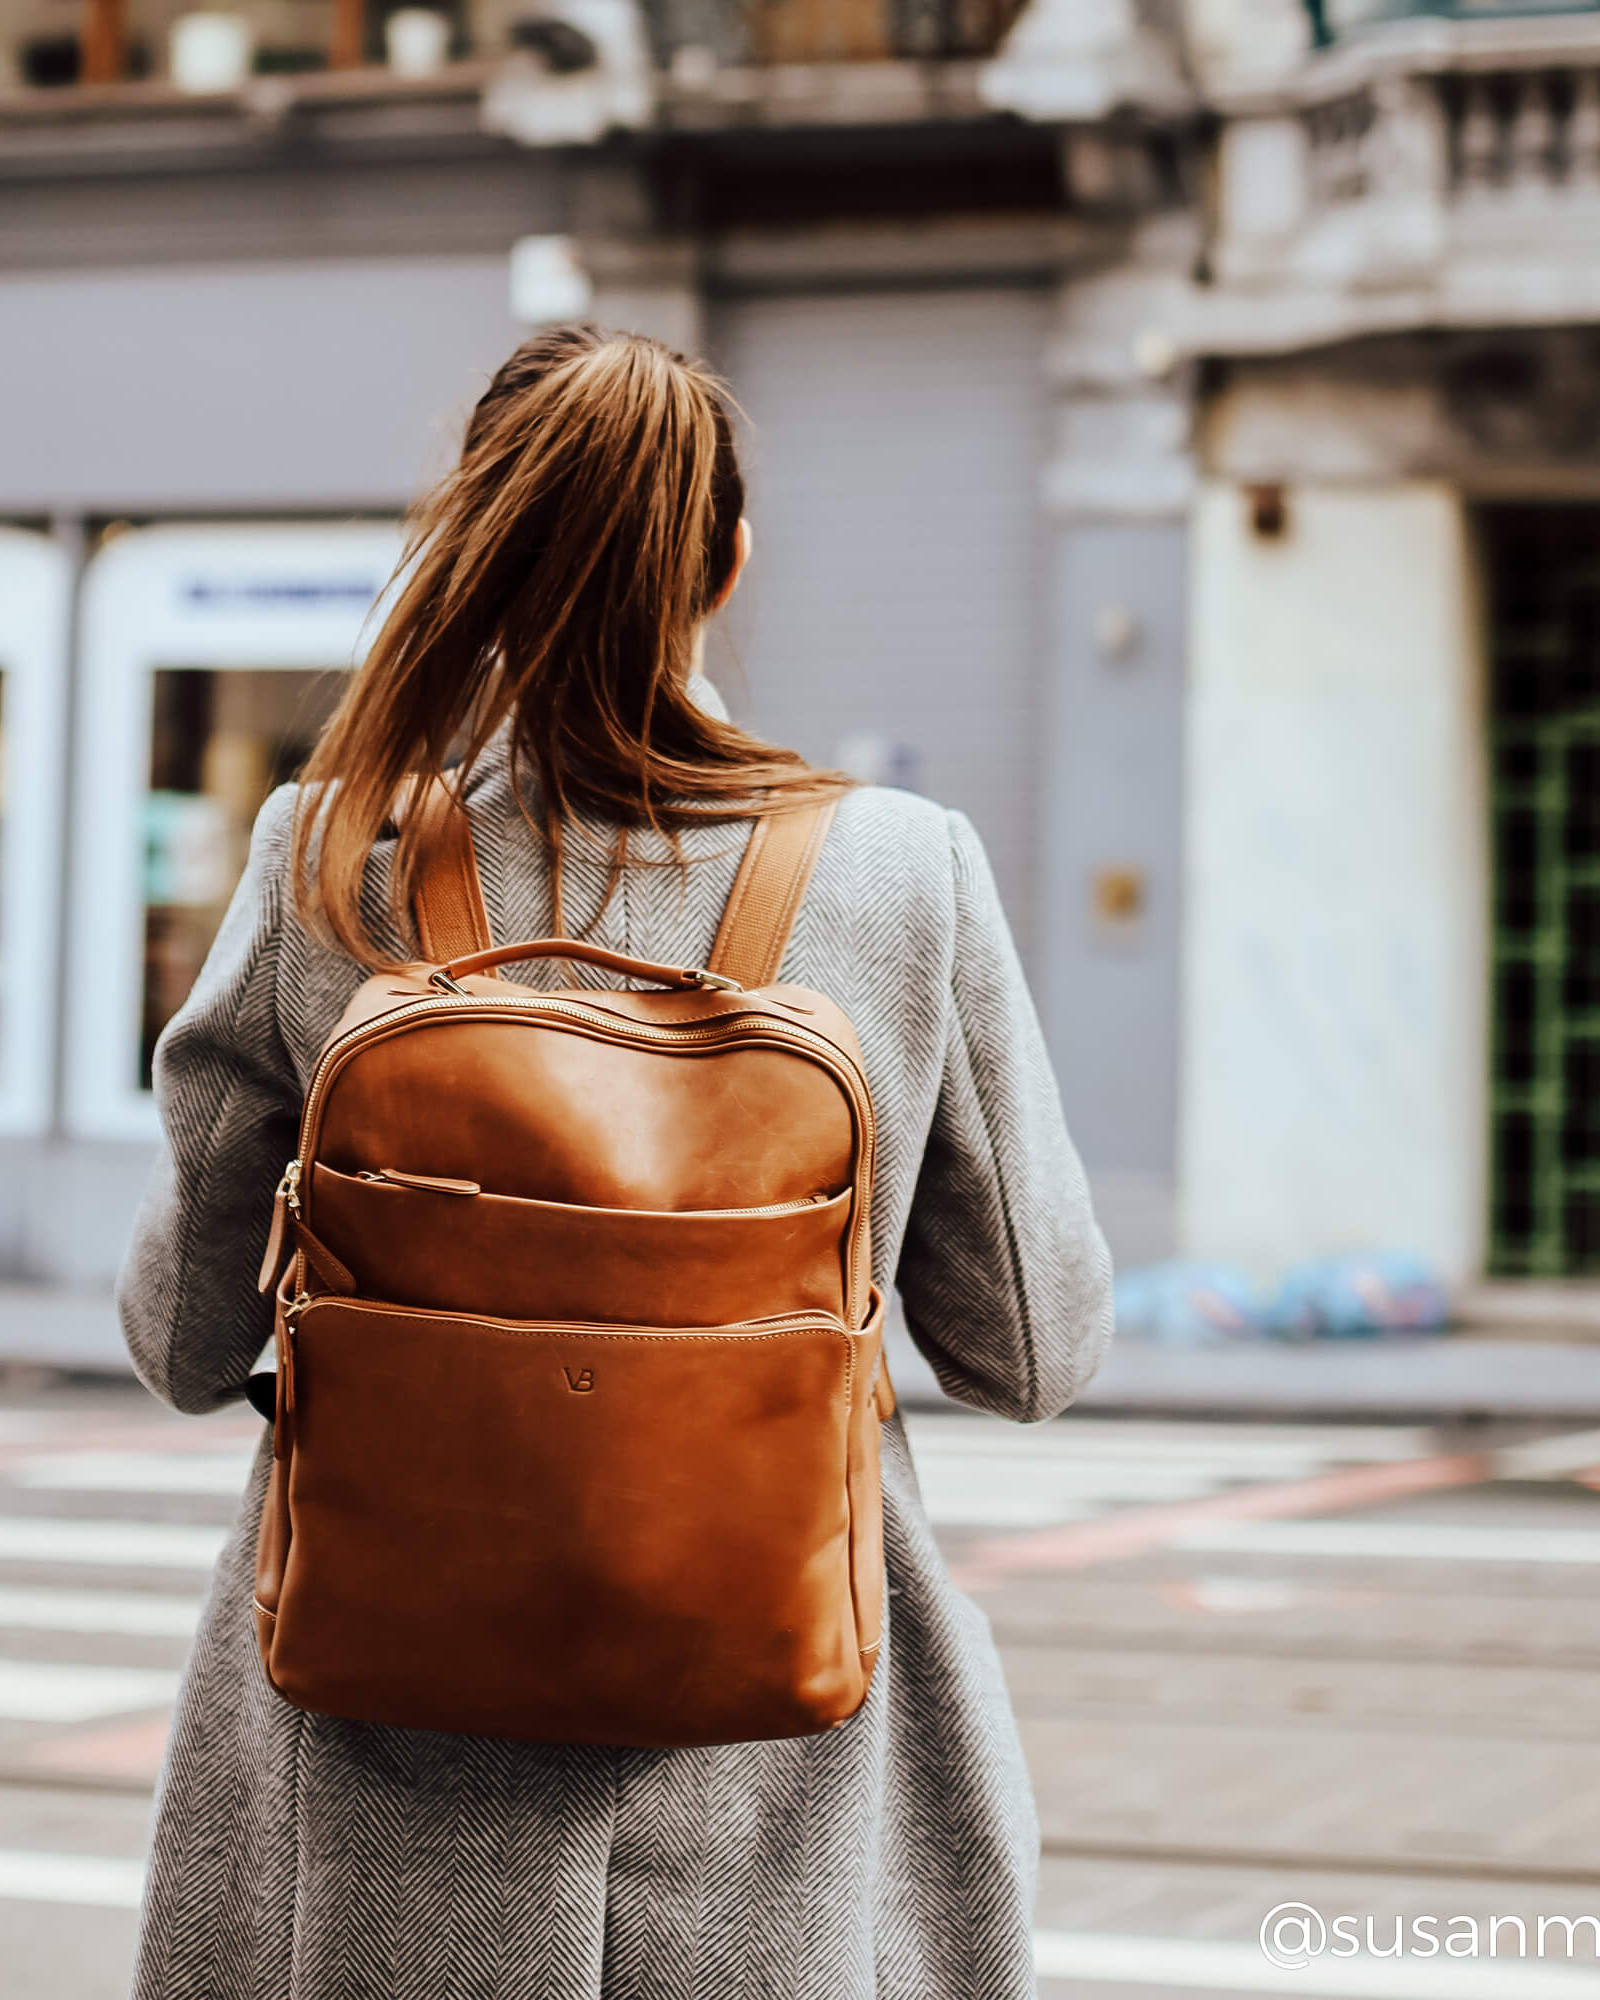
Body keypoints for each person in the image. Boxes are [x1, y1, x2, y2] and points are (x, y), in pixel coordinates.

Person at [120, 324, 1111, 2000]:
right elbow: (1032, 1349)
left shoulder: (328, 852)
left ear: (475, 542)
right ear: (725, 562)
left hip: (374, 1771)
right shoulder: (900, 875)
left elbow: (181, 1340)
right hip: (784, 1766)